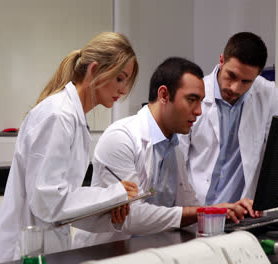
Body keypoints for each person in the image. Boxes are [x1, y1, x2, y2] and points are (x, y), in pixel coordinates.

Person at [0, 32, 140, 263]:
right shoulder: (58, 115)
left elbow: (62, 205)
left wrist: (109, 212)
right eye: (120, 78)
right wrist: (112, 193)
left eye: (127, 81)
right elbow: (47, 203)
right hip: (24, 253)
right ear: (94, 70)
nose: (123, 90)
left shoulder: (72, 117)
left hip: (46, 248)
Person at [72, 57, 249, 248]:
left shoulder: (174, 147)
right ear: (164, 94)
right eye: (191, 100)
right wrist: (206, 211)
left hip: (151, 250)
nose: (199, 111)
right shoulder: (121, 138)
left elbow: (186, 203)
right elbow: (132, 216)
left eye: (200, 102)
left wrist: (226, 212)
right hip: (105, 254)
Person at [179, 32, 278, 223]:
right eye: (231, 76)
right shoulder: (196, 93)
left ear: (257, 75)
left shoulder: (269, 95)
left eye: (246, 81)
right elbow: (177, 161)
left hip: (243, 215)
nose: (235, 88)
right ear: (221, 60)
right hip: (198, 211)